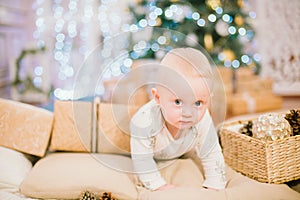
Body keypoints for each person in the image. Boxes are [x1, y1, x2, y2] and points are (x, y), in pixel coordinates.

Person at [130, 47, 227, 191]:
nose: (188, 113)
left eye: (198, 103)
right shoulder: (145, 121)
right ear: (158, 97)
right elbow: (142, 159)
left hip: (181, 150)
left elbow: (211, 152)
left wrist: (215, 184)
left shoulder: (203, 119)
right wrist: (158, 185)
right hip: (150, 151)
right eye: (178, 102)